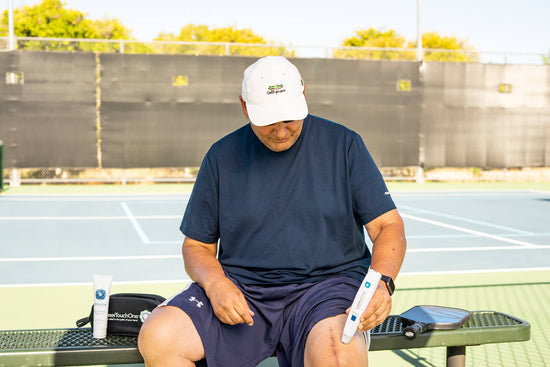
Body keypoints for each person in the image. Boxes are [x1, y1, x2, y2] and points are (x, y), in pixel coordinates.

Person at [138, 56, 407, 367]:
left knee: (337, 358)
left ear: (303, 96)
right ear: (244, 107)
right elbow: (196, 246)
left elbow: (387, 225)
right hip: (243, 290)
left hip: (328, 289)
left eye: (290, 118)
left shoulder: (344, 145)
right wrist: (216, 284)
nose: (281, 131)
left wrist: (382, 282)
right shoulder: (221, 156)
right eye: (268, 120)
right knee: (159, 337)